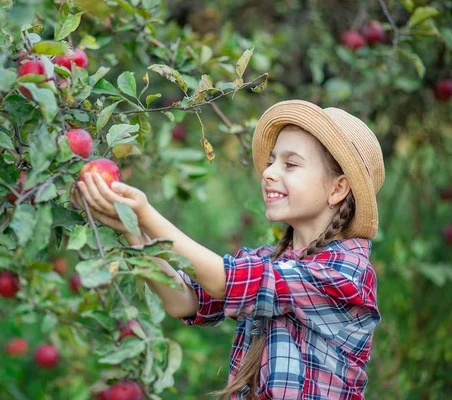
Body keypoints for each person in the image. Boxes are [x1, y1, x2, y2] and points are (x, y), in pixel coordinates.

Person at [71, 99, 385, 399]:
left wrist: (147, 214)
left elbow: (227, 280)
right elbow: (185, 300)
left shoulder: (346, 271)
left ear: (337, 188)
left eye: (290, 164)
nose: (268, 172)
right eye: (272, 160)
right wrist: (133, 231)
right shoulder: (267, 259)